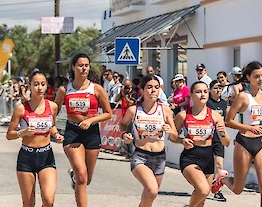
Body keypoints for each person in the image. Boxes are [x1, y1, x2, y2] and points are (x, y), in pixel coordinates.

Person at [212, 61, 262, 207]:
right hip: (244, 143)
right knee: (237, 188)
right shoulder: (242, 97)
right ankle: (222, 178)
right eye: (257, 76)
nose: (261, 79)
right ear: (248, 77)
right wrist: (248, 127)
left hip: (261, 142)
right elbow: (228, 121)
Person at [54, 53, 112, 207]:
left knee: (87, 178)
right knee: (81, 176)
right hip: (72, 132)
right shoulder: (64, 89)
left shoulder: (96, 88)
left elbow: (108, 113)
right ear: (73, 67)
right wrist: (53, 130)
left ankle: (75, 177)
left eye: (86, 65)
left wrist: (91, 120)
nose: (84, 68)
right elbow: (53, 110)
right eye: (80, 65)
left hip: (92, 133)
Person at [6, 71, 64, 207]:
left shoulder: (53, 106)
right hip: (27, 157)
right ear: (29, 86)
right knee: (28, 203)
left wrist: (56, 134)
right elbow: (9, 134)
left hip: (46, 156)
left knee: (48, 200)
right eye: (36, 84)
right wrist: (23, 132)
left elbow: (53, 126)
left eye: (42, 84)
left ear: (46, 86)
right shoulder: (21, 108)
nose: (39, 88)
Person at [120, 74, 178, 206]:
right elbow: (123, 124)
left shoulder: (165, 110)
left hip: (159, 157)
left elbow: (174, 136)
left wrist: (171, 131)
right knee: (152, 190)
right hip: (141, 156)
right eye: (149, 87)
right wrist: (125, 134)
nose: (153, 91)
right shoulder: (134, 110)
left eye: (157, 88)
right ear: (142, 90)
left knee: (150, 195)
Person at [174, 81, 229, 207]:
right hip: (190, 157)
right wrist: (182, 140)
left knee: (202, 199)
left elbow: (226, 142)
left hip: (208, 158)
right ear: (191, 94)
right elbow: (172, 137)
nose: (202, 94)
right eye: (198, 92)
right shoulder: (183, 115)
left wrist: (222, 134)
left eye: (205, 91)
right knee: (203, 190)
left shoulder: (215, 115)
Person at [206, 80, 228, 202]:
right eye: (215, 88)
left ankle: (217, 191)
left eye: (220, 88)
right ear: (210, 90)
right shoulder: (207, 103)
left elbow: (226, 121)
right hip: (207, 138)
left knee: (219, 164)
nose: (218, 90)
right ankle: (203, 187)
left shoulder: (224, 104)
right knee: (208, 165)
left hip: (219, 138)